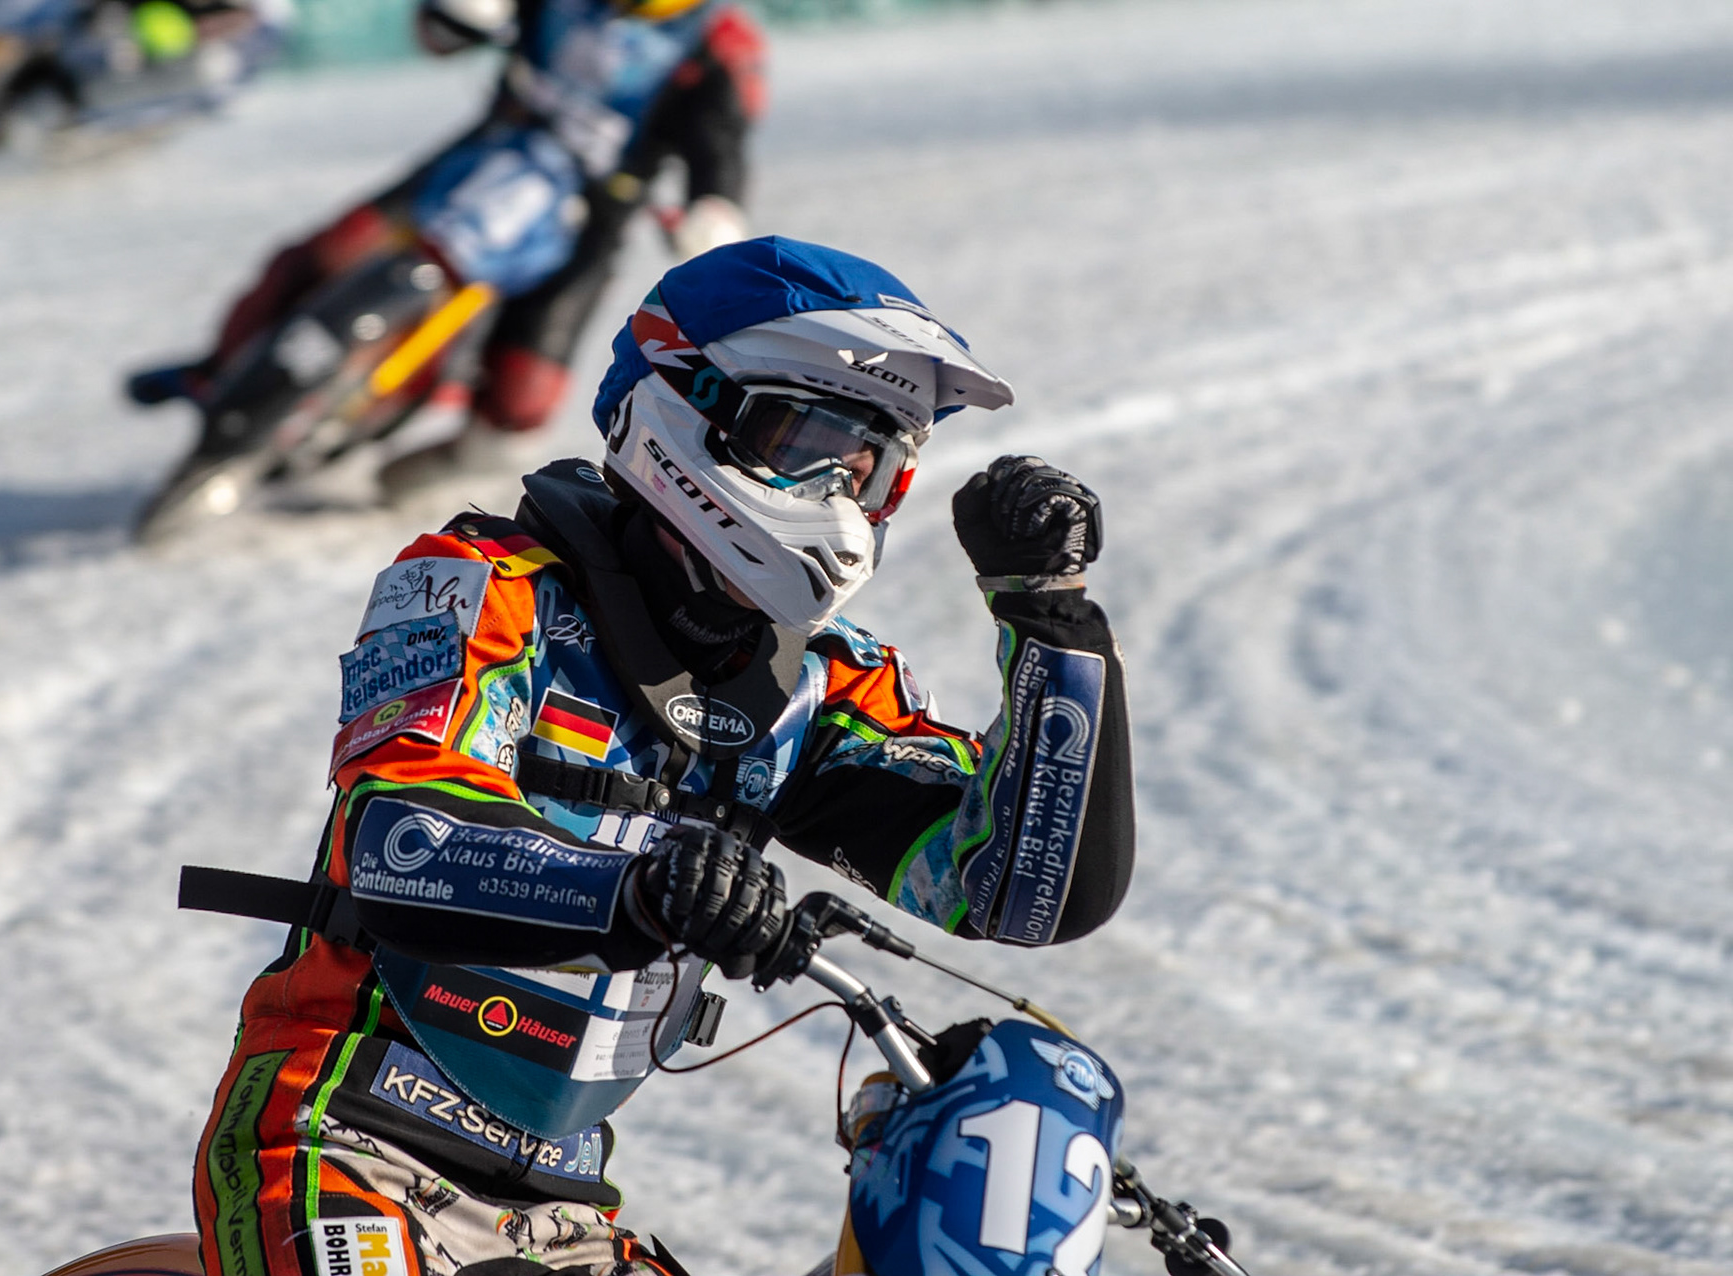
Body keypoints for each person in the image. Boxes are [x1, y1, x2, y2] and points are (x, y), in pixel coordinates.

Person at [181, 237, 1134, 1276]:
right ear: (683, 406)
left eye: (868, 461)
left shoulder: (826, 684)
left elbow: (1017, 891)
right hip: (343, 1135)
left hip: (562, 1202)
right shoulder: (484, 584)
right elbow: (406, 847)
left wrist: (1052, 623)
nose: (838, 486)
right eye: (809, 439)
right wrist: (645, 887)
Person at [126, 0, 764, 492]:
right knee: (317, 256)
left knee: (520, 408)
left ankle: (425, 469)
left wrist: (715, 207)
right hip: (489, 155)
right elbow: (442, 34)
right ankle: (220, 370)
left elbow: (723, 141)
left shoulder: (719, 43)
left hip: (590, 215)